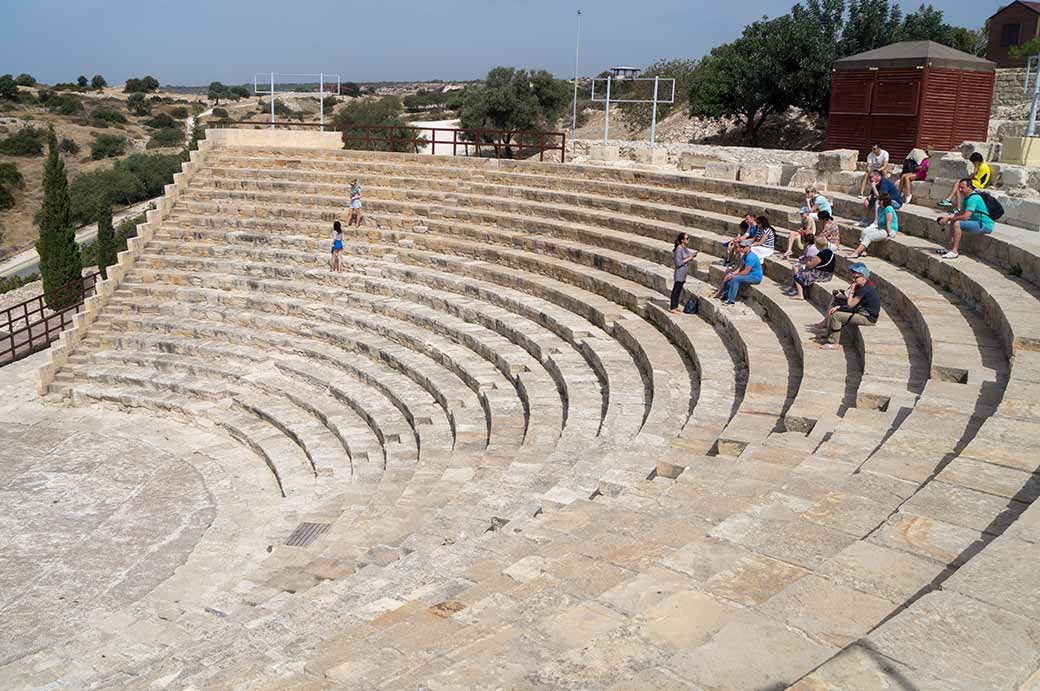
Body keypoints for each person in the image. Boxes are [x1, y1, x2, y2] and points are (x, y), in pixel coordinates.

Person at [815, 262, 880, 350]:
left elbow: (850, 305)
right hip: (862, 311)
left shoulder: (864, 289)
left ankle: (834, 343)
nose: (853, 279)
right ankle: (827, 335)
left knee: (836, 315)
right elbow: (855, 304)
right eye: (853, 276)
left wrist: (851, 291)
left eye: (856, 277)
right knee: (836, 304)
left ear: (864, 277)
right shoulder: (863, 285)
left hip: (868, 318)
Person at [936, 177, 994, 259]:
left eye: (962, 187)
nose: (959, 190)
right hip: (977, 222)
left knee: (957, 223)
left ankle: (954, 252)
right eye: (959, 187)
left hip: (984, 225)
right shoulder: (967, 198)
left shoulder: (973, 198)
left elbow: (965, 217)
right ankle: (950, 248)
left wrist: (950, 218)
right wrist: (948, 217)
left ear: (969, 187)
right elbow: (960, 213)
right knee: (954, 221)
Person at [784, 236, 835, 300]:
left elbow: (810, 266)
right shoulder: (830, 252)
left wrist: (807, 262)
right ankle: (795, 289)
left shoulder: (822, 253)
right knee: (800, 269)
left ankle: (800, 294)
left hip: (821, 275)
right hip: (828, 275)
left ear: (817, 245)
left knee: (797, 273)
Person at [849, 192, 898, 258]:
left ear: (883, 201)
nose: (878, 202)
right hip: (881, 228)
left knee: (869, 236)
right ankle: (863, 250)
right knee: (864, 232)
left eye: (879, 200)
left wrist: (890, 235)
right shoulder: (880, 209)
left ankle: (856, 253)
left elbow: (888, 223)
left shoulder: (888, 209)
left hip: (889, 230)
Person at [714, 239, 763, 305]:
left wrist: (734, 275)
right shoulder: (744, 256)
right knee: (730, 276)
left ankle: (731, 300)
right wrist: (732, 274)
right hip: (749, 274)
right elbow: (740, 267)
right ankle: (725, 295)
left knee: (735, 279)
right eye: (740, 246)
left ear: (748, 247)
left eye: (743, 247)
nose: (741, 248)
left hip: (755, 277)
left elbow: (745, 272)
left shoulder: (751, 257)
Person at [670, 232, 697, 312]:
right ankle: (672, 308)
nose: (688, 239)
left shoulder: (684, 248)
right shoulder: (679, 249)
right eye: (687, 238)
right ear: (682, 240)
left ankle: (675, 306)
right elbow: (678, 263)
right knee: (676, 290)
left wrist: (693, 255)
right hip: (679, 273)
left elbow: (688, 256)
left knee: (679, 290)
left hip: (683, 273)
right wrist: (689, 258)